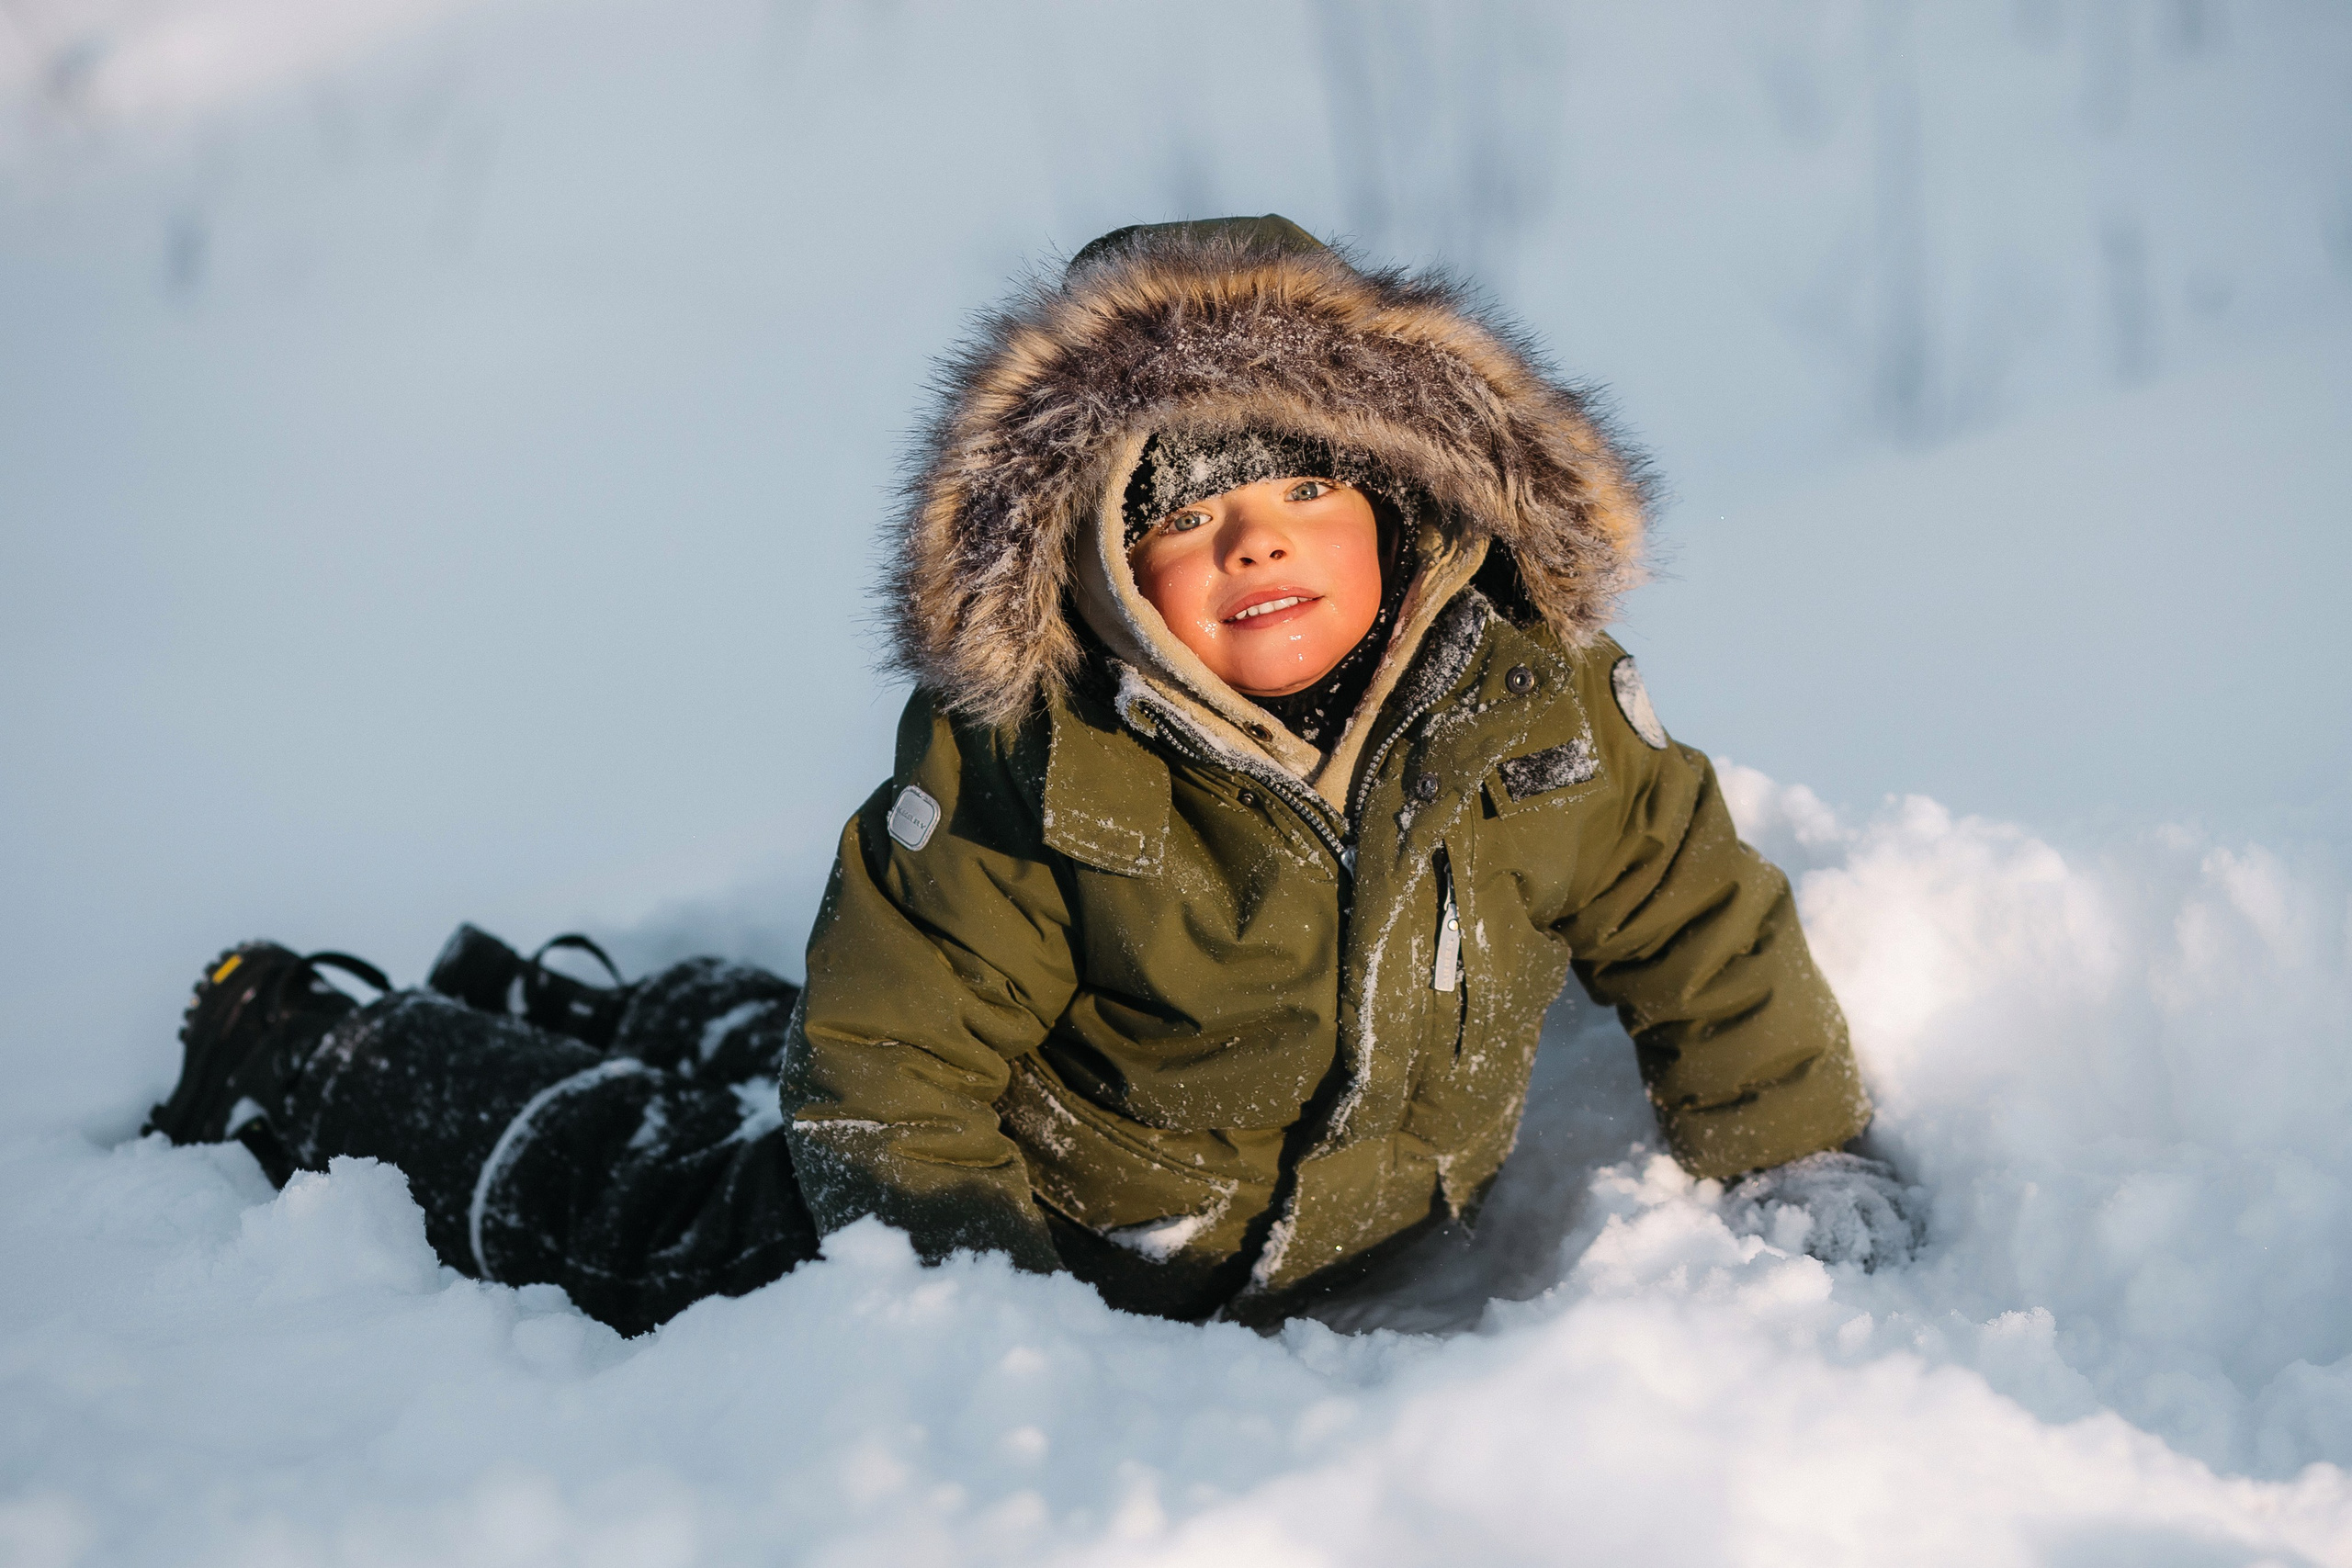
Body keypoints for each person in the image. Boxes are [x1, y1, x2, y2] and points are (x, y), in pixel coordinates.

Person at [146, 215, 1907, 1335]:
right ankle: (318, 1047)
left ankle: (609, 998)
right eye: (1191, 518)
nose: (1255, 547)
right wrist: (959, 1311)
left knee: (772, 1053)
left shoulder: (1537, 721)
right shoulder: (1037, 761)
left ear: (1409, 506)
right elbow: (897, 1055)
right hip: (1042, 1223)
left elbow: (1702, 929)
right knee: (666, 1204)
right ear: (1101, 574)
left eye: (1303, 498)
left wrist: (1790, 1153)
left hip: (1303, 1229)